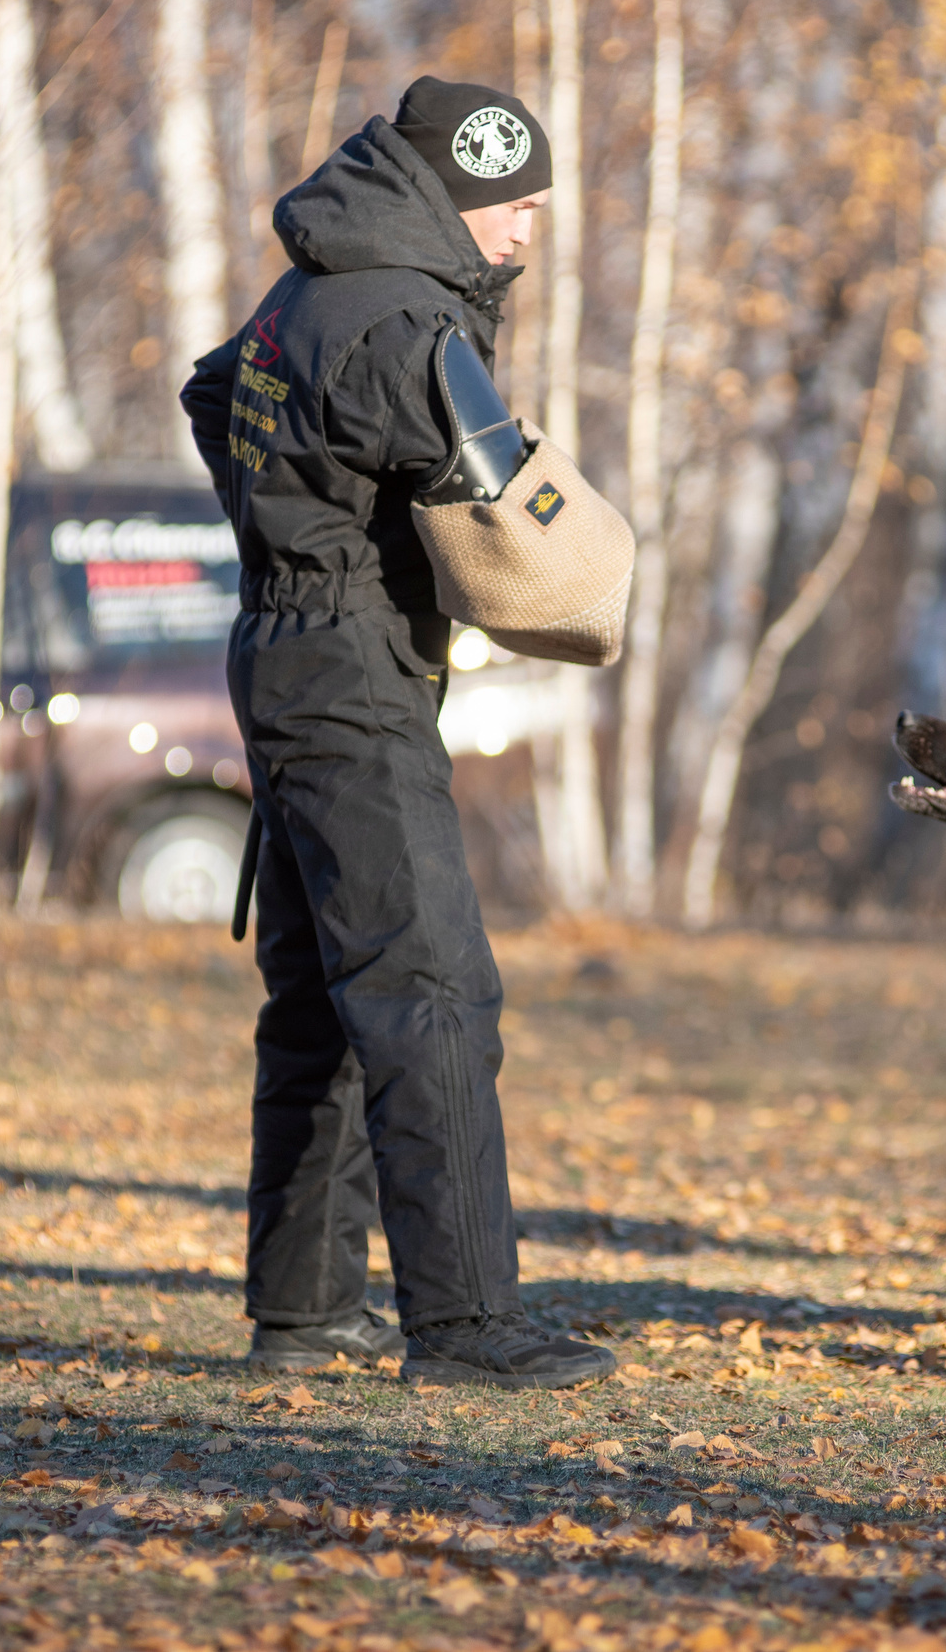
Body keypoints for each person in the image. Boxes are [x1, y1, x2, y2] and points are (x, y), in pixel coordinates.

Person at [180, 78, 618, 1389]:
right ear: (447, 192)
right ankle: (468, 1323)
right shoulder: (406, 322)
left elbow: (211, 394)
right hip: (355, 672)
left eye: (536, 205)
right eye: (508, 203)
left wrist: (293, 534)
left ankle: (305, 1309)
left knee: (324, 995)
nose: (525, 230)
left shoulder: (306, 291)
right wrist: (586, 589)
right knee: (432, 989)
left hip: (281, 647)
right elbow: (507, 501)